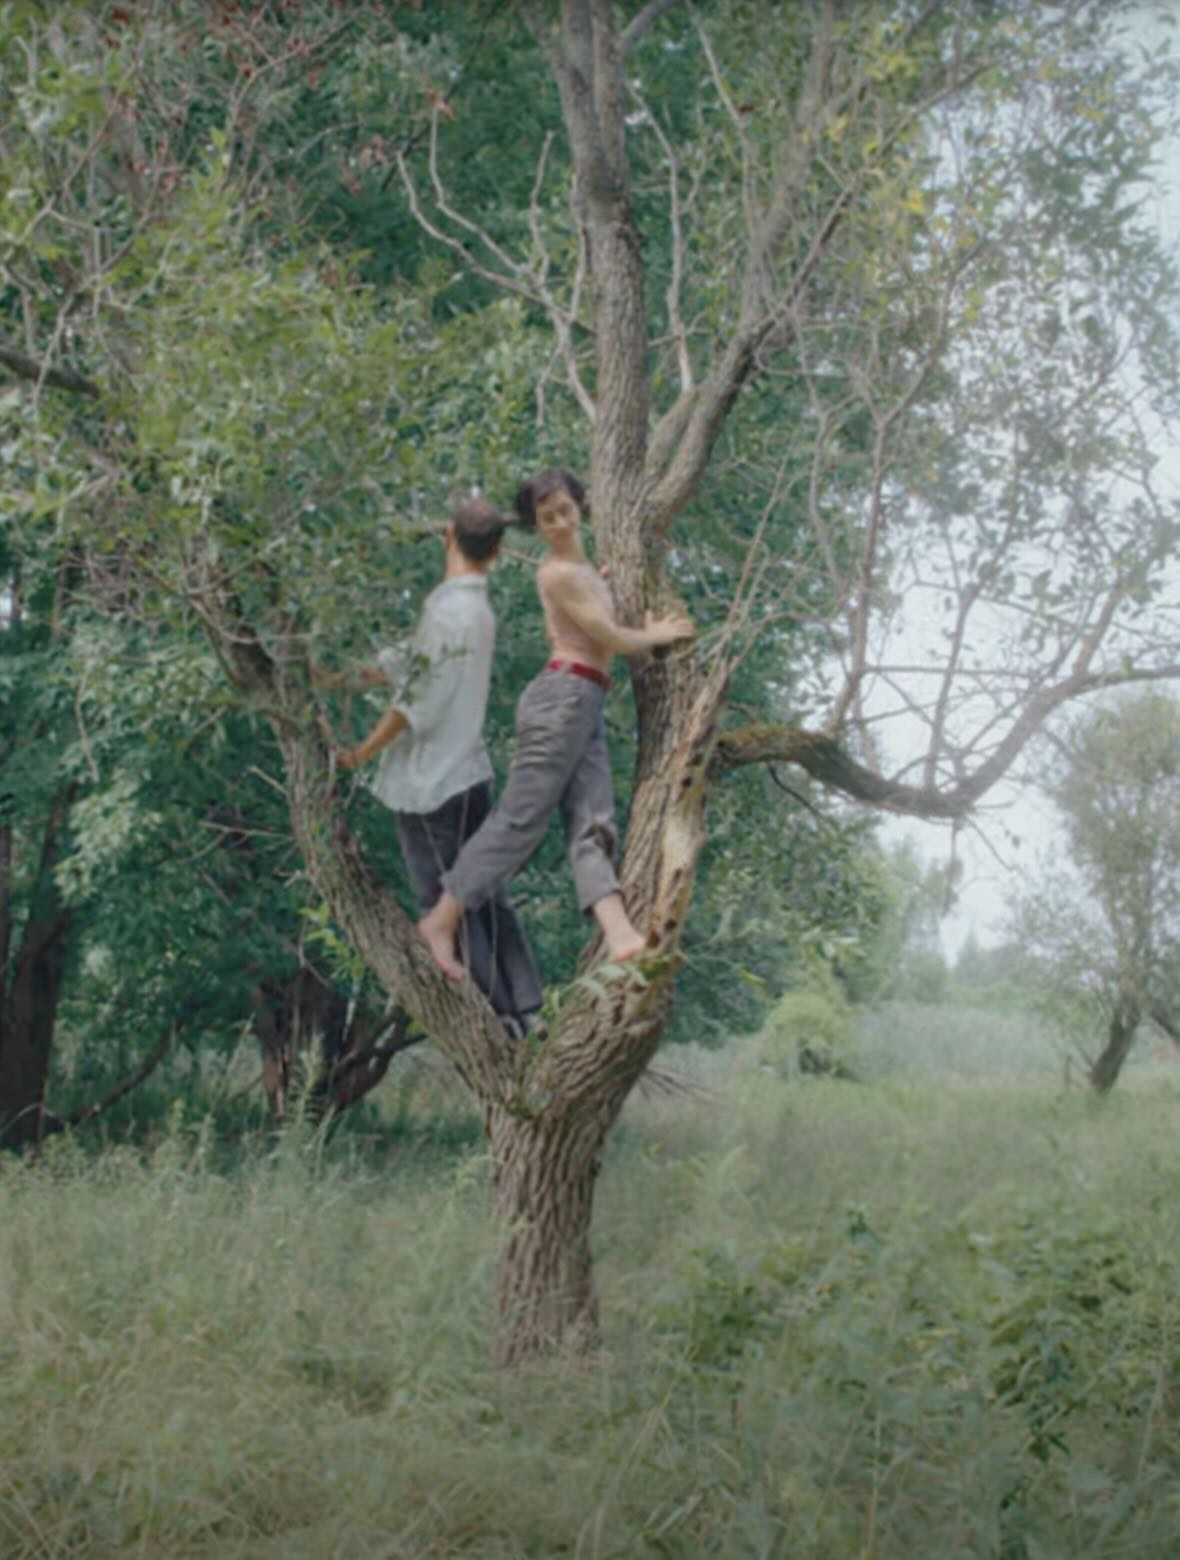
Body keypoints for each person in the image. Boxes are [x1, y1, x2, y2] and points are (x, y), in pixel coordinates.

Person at [418, 469, 694, 982]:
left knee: (593, 819)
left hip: (584, 699)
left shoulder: (583, 569)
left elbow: (595, 612)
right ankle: (442, 918)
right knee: (521, 821)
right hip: (561, 698)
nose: (561, 523)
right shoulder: (556, 575)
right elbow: (609, 637)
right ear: (537, 526)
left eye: (566, 511)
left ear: (580, 508)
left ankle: (618, 933)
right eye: (548, 518)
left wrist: (606, 584)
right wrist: (656, 634)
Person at [327, 497, 544, 1033]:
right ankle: (530, 1009)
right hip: (469, 775)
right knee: (485, 894)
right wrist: (344, 677)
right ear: (495, 551)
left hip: (433, 784)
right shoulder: (471, 609)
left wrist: (359, 754)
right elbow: (412, 663)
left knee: (445, 904)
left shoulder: (451, 611)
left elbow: (413, 704)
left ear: (448, 536)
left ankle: (501, 1021)